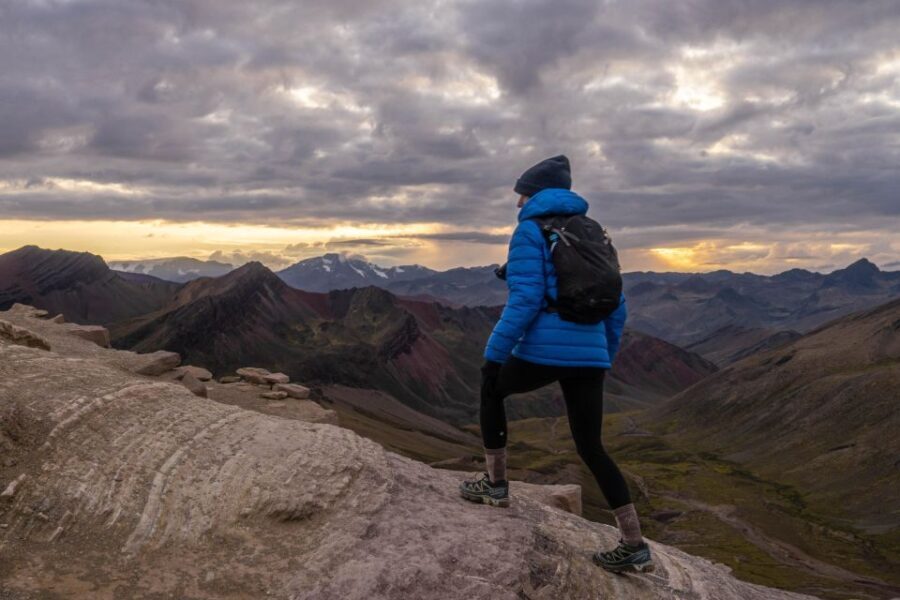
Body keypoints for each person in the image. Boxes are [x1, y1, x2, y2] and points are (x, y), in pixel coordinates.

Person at [458, 155, 653, 573]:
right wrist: (604, 355)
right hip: (591, 355)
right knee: (591, 446)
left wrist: (495, 353)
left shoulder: (529, 231)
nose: (517, 203)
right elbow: (617, 306)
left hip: (544, 350)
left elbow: (526, 300)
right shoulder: (593, 232)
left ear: (535, 194)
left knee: (492, 387)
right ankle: (634, 543)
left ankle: (494, 484)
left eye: (520, 194)